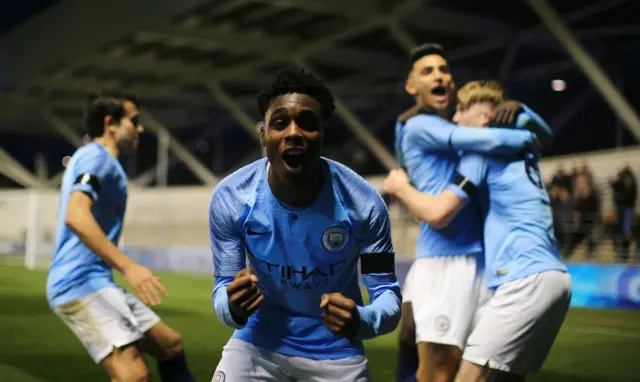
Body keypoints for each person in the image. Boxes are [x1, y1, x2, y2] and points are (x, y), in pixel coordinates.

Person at [209, 68, 402, 382]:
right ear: (263, 134)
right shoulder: (231, 197)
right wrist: (233, 308)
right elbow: (222, 290)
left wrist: (361, 319)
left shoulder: (363, 203)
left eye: (308, 123)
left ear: (323, 133)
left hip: (337, 352)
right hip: (258, 345)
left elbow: (387, 296)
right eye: (281, 122)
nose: (294, 132)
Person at [384, 80, 570, 382]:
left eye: (462, 109)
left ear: (485, 117)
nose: (455, 119)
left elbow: (439, 213)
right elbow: (543, 136)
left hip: (525, 279)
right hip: (555, 277)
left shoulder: (480, 156)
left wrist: (401, 188)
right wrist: (525, 113)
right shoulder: (525, 146)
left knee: (467, 377)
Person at [46, 94, 195, 382]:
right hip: (77, 283)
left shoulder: (101, 160)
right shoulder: (96, 157)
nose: (140, 129)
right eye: (134, 121)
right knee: (133, 376)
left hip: (97, 281)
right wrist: (128, 266)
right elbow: (76, 215)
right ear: (110, 124)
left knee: (170, 345)